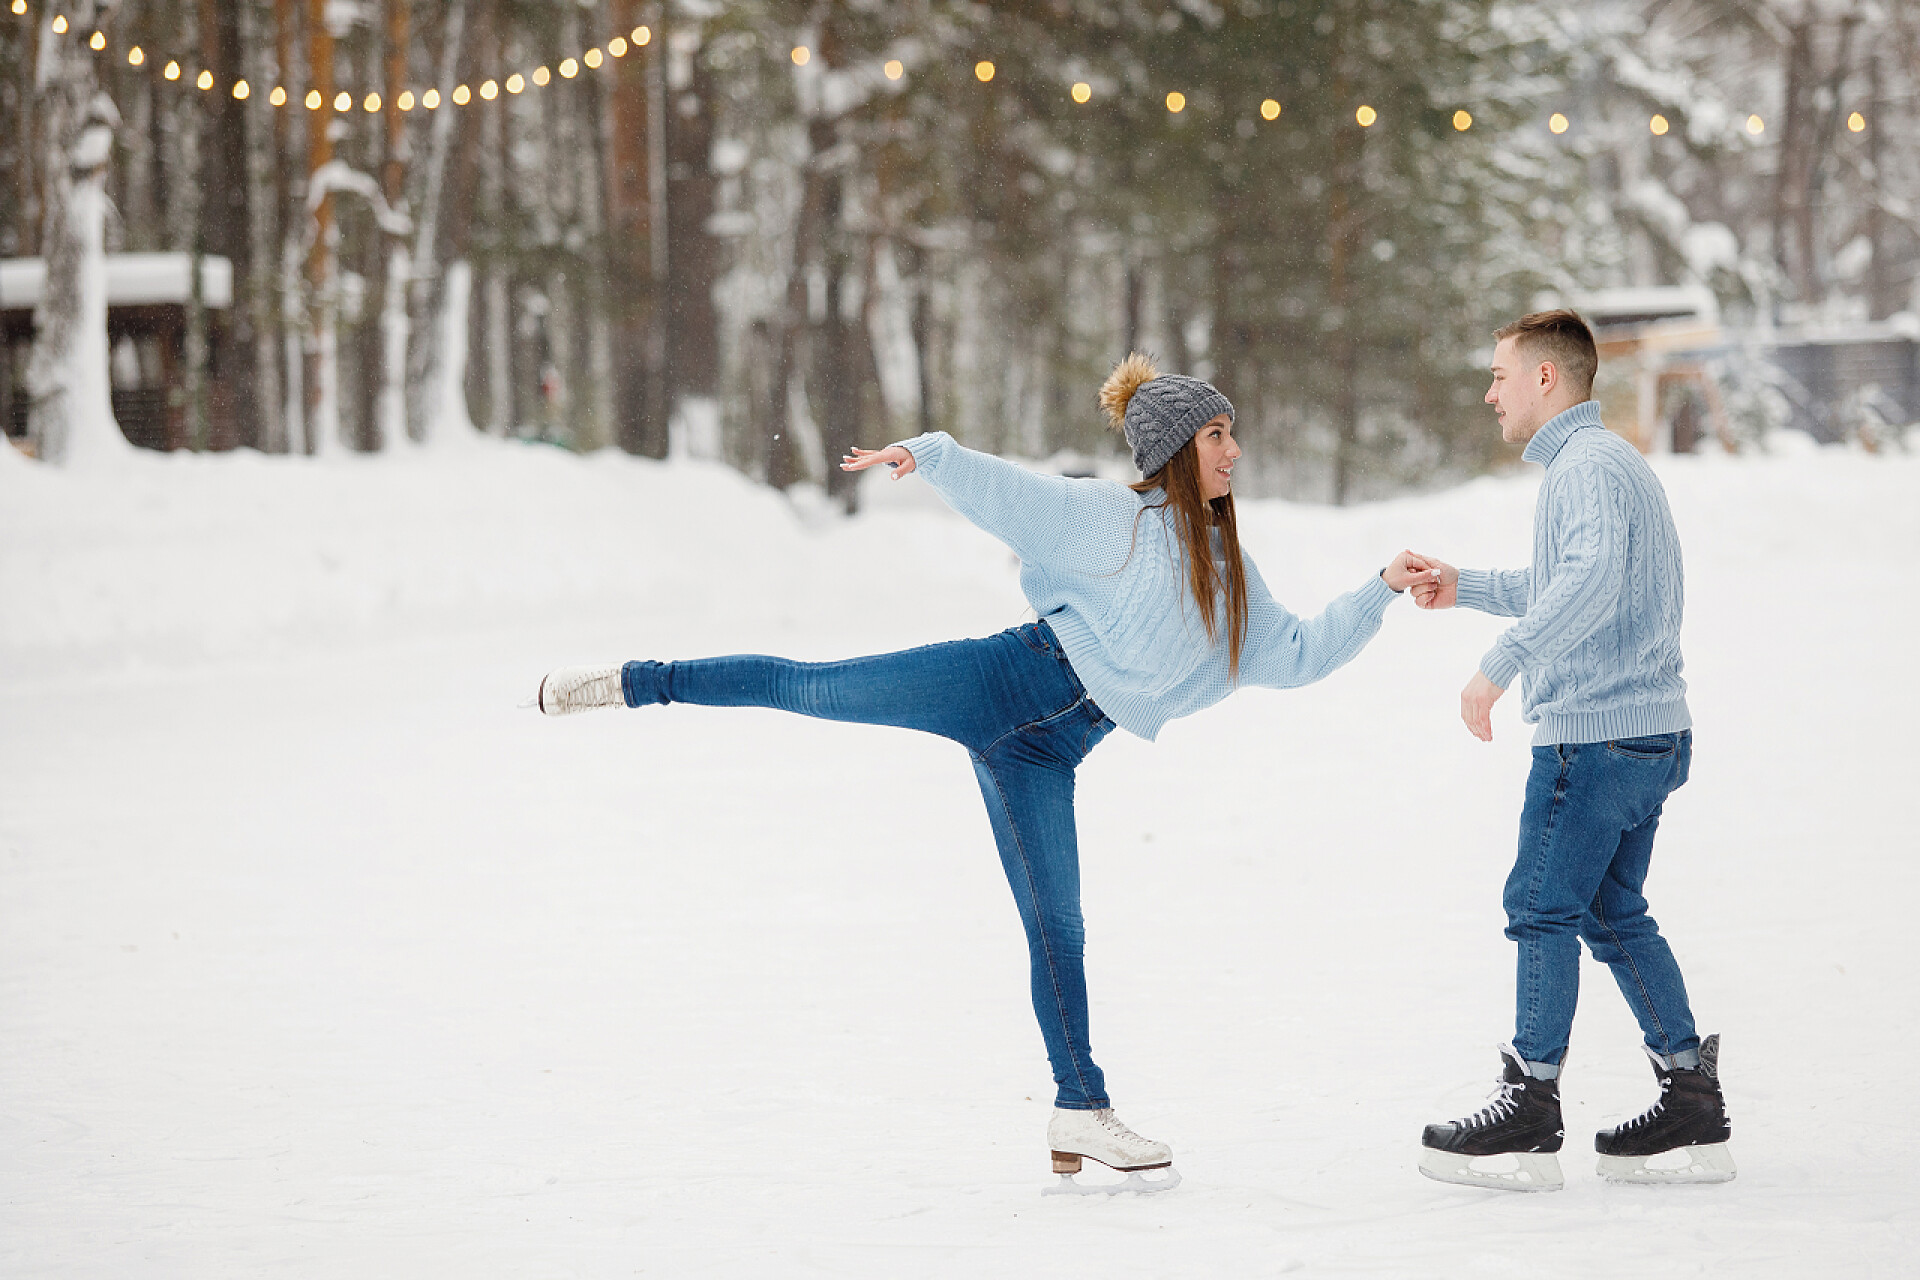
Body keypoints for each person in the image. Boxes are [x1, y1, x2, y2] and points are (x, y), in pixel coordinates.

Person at [532, 352, 1437, 1190]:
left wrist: (1381, 587)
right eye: (1216, 435)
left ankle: (1079, 1108)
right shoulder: (1109, 520)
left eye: (1231, 433)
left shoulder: (1230, 573)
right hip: (995, 681)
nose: (1235, 451)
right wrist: (927, 455)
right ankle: (627, 683)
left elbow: (1302, 653)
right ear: (1171, 451)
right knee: (807, 684)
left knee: (1059, 927)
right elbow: (1010, 493)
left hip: (1046, 752)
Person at [1410, 310, 1734, 1192]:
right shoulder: (1609, 464)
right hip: (1649, 731)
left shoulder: (1582, 469)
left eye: (1499, 375)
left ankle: (1530, 1102)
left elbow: (1586, 584)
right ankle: (1690, 1095)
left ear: (1546, 379)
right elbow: (1573, 581)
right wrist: (1465, 586)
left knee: (1541, 906)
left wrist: (1500, 666)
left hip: (1591, 737)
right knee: (1611, 912)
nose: (1490, 393)